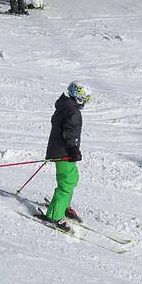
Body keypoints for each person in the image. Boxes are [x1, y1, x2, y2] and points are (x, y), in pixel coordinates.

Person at [44, 81, 91, 228]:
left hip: (61, 151)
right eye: (85, 98)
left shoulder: (65, 106)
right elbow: (70, 133)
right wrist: (73, 150)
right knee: (66, 183)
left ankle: (63, 205)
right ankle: (55, 215)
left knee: (72, 178)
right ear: (78, 96)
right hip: (64, 152)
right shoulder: (73, 112)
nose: (86, 102)